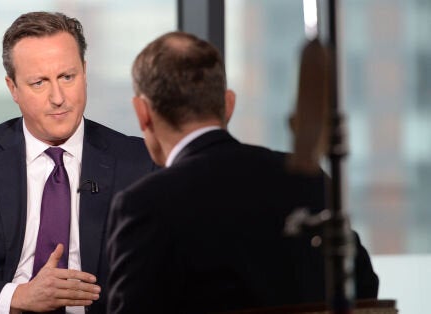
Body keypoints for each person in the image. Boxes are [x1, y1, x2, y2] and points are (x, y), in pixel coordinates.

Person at [105, 31, 379, 313]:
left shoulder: (145, 205)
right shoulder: (308, 178)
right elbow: (363, 289)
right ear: (228, 105)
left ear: (143, 113)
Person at [0, 12, 155, 314]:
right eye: (39, 83)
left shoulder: (139, 162)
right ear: (13, 88)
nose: (58, 97)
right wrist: (19, 297)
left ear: (85, 72)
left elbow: (164, 279)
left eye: (68, 77)